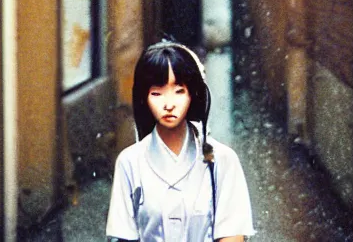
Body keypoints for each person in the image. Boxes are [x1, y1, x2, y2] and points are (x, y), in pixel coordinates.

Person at [106, 40, 255, 241]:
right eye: (157, 93)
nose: (168, 104)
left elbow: (232, 234)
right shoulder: (130, 161)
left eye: (179, 91)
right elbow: (122, 235)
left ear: (193, 94)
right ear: (144, 98)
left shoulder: (222, 160)